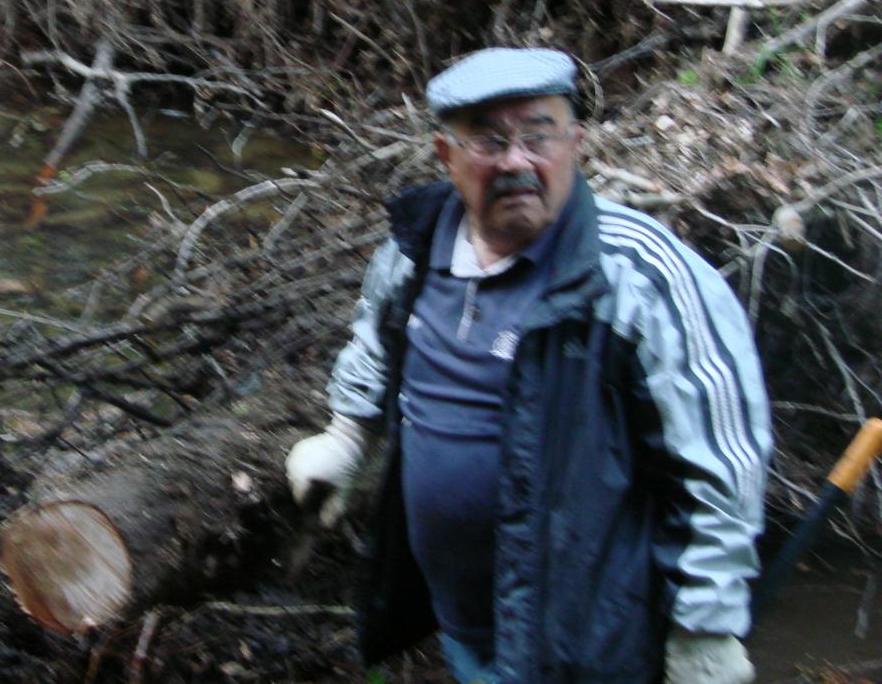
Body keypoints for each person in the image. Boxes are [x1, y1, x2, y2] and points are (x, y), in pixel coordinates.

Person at [285, 48, 771, 684]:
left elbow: (720, 458)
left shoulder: (639, 276)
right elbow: (375, 344)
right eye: (488, 139)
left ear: (575, 143)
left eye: (537, 135)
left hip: (591, 643)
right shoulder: (413, 252)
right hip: (462, 624)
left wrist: (705, 624)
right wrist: (349, 435)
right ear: (446, 156)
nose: (516, 161)